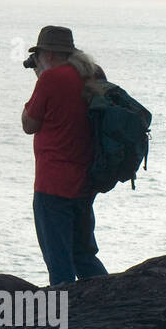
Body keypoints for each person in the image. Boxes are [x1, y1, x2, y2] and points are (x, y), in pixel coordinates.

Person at [20, 26, 108, 285]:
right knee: (84, 255)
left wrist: (40, 79)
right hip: (85, 182)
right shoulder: (93, 73)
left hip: (53, 185)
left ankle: (64, 318)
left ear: (46, 53)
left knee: (59, 262)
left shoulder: (51, 80)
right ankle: (106, 301)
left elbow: (29, 124)